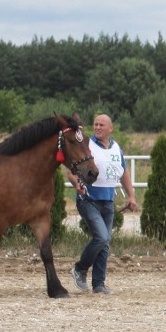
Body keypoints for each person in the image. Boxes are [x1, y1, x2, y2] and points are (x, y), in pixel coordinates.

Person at [67, 114, 139, 294]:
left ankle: (99, 284)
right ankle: (80, 269)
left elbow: (123, 174)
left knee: (104, 243)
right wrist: (77, 184)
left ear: (110, 129)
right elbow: (71, 171)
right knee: (102, 237)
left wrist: (131, 196)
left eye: (101, 125)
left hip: (108, 201)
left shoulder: (116, 149)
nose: (97, 127)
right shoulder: (87, 146)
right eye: (95, 124)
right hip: (88, 199)